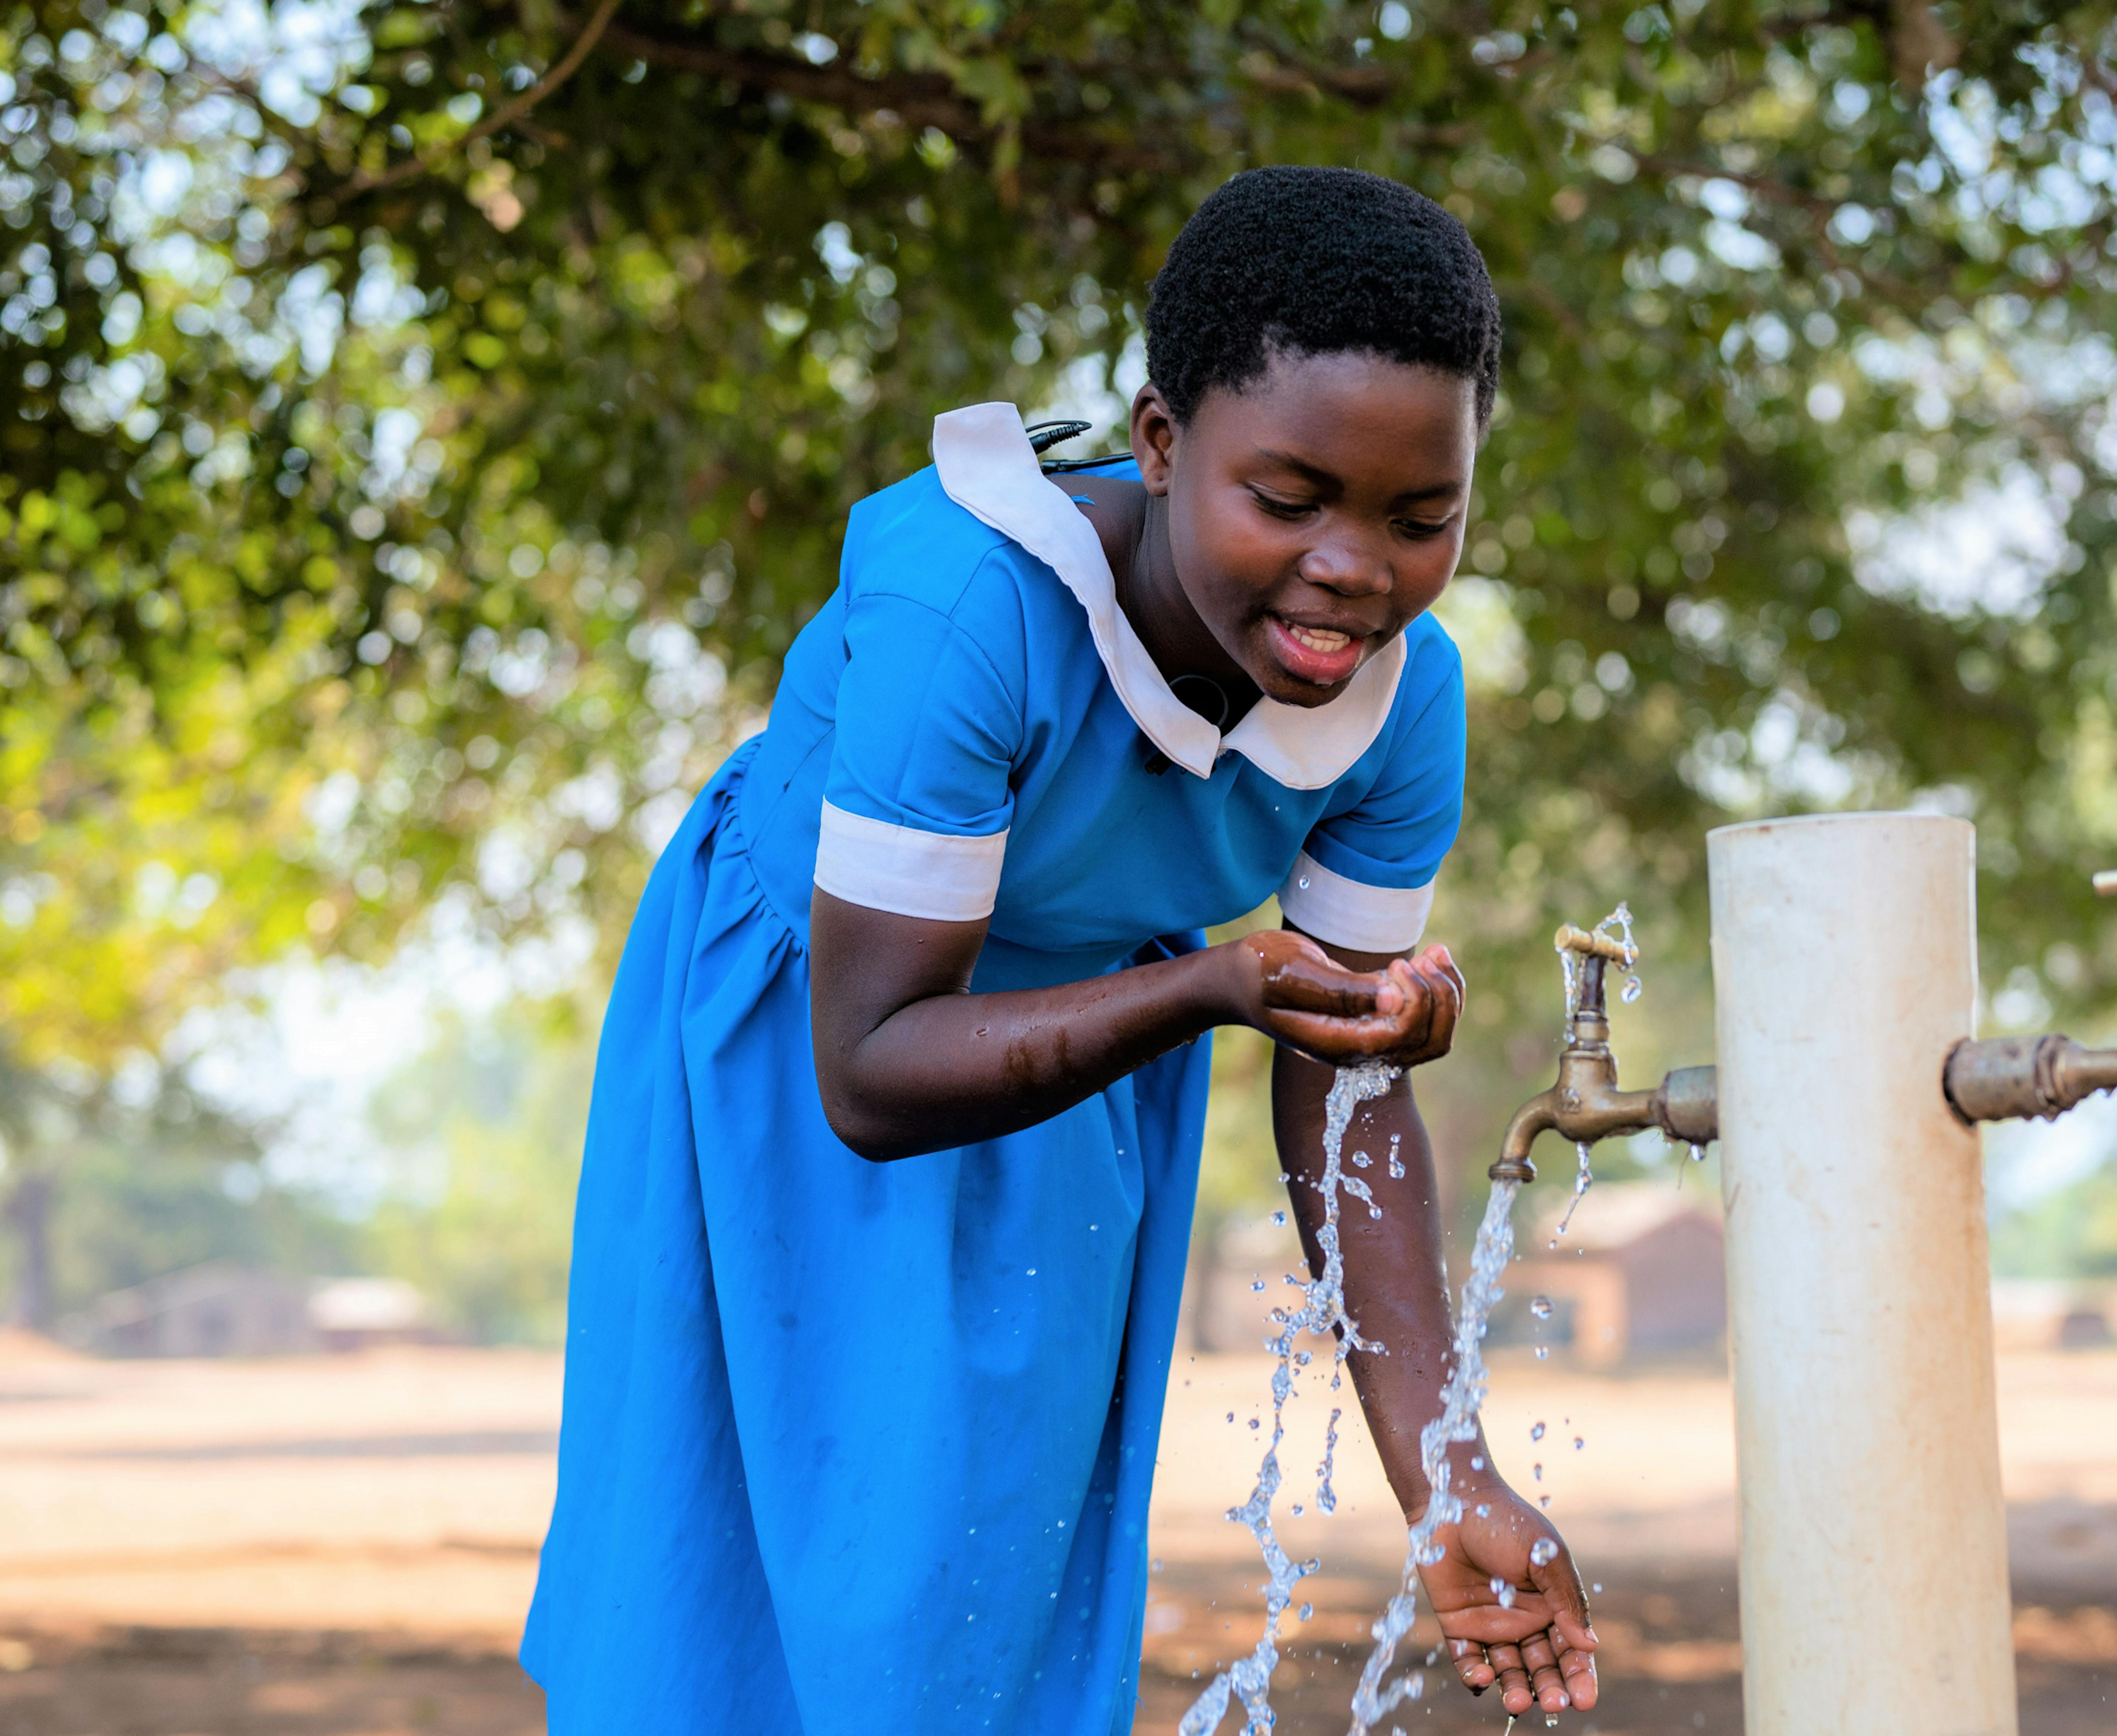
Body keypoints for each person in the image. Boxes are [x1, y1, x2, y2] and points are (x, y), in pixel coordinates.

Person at [521, 165, 1601, 1733]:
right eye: (1286, 500)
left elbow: (1343, 1095)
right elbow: (872, 1072)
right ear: (1161, 445)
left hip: (1075, 1075)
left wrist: (1450, 1476)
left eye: (1419, 516)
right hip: (806, 1042)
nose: (1352, 568)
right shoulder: (972, 613)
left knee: (977, 1615)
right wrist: (1214, 985)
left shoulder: (1399, 702)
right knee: (720, 1604)